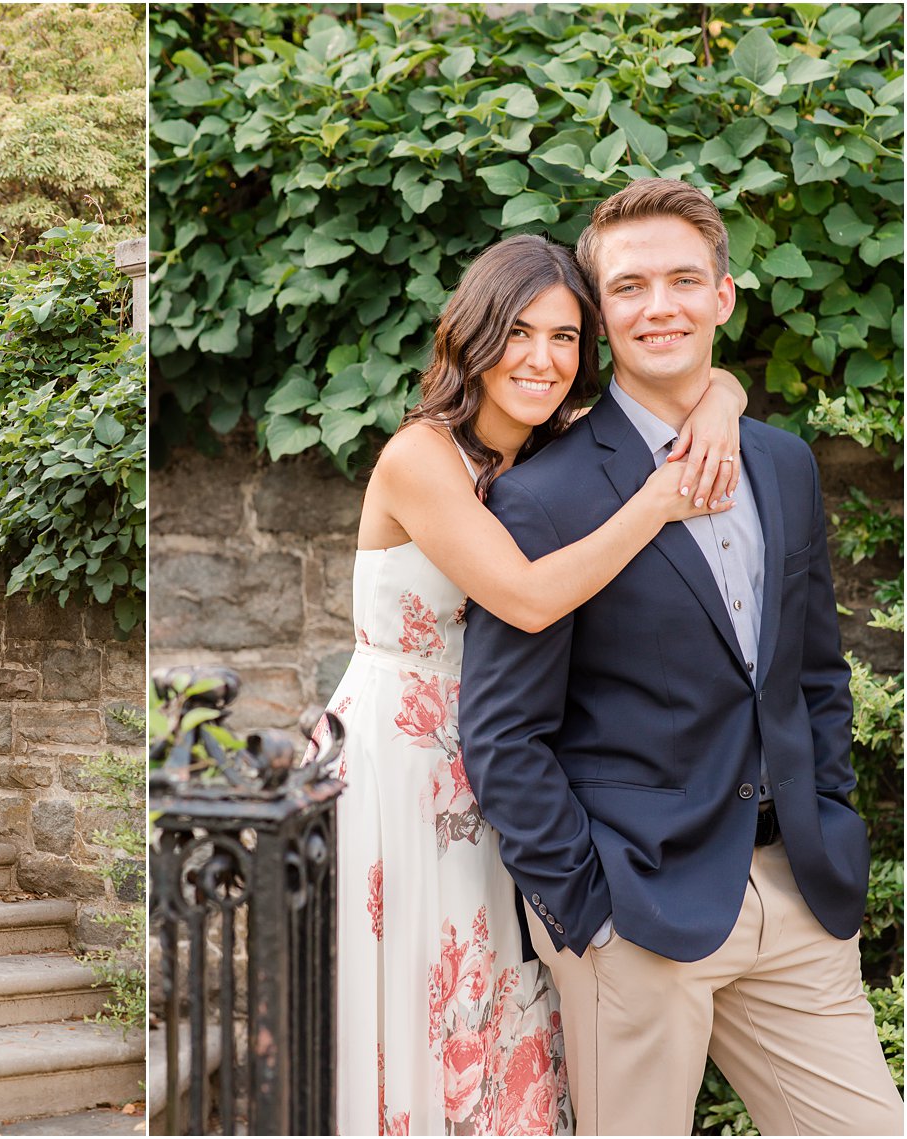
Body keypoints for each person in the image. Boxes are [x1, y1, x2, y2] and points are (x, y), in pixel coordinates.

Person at [460, 179, 904, 1135]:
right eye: (627, 289)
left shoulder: (782, 461)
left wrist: (828, 815)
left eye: (681, 280)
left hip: (793, 894)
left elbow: (815, 670)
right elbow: (504, 733)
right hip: (634, 910)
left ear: (723, 296)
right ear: (600, 311)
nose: (658, 306)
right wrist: (586, 915)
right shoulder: (544, 497)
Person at [317, 232, 748, 1135]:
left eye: (564, 338)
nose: (542, 359)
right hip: (403, 762)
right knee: (422, 994)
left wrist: (724, 404)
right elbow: (526, 596)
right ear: (473, 333)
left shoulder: (545, 462)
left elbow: (696, 384)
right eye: (519, 332)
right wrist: (661, 500)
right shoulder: (420, 455)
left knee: (505, 994)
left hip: (503, 762)